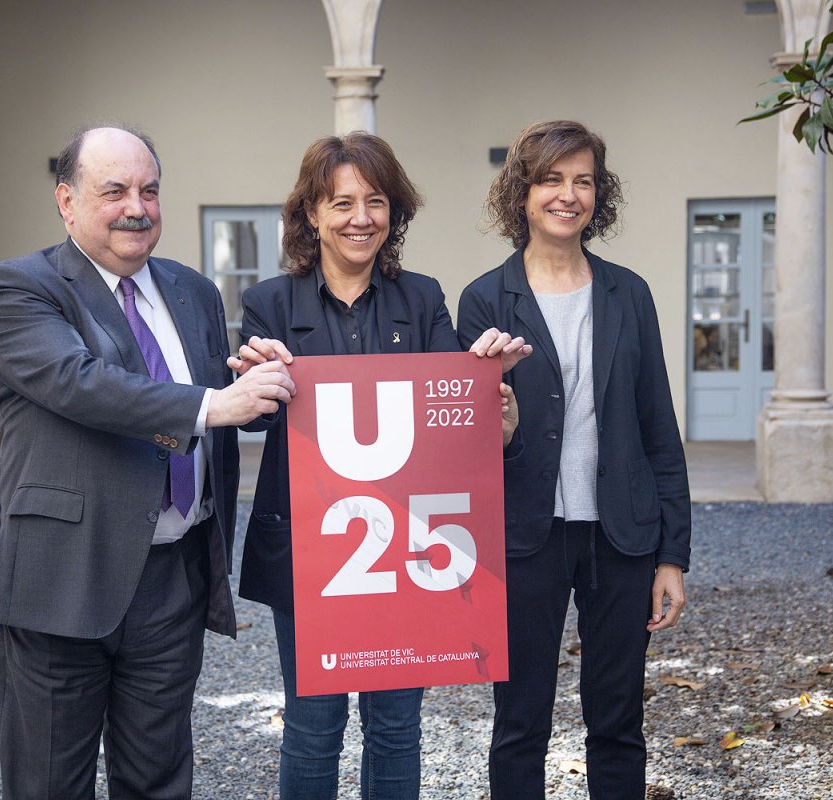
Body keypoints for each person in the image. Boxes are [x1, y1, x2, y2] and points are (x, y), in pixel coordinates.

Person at [0, 125, 295, 800]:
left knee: (158, 780)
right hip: (64, 580)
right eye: (114, 190)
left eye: (150, 190)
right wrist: (215, 401)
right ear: (67, 201)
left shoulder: (193, 290)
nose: (137, 207)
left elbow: (215, 400)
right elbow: (79, 382)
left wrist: (261, 387)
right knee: (49, 783)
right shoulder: (22, 288)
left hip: (171, 579)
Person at [229, 132, 529, 800]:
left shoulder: (422, 299)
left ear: (394, 212)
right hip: (313, 551)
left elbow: (451, 427)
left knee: (396, 725)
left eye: (375, 201)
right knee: (313, 725)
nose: (360, 217)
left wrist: (491, 399)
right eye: (341, 202)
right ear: (311, 213)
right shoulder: (270, 303)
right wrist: (254, 387)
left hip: (406, 551)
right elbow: (250, 419)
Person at [456, 120, 691, 799]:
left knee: (618, 723)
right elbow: (471, 441)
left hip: (622, 535)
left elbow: (658, 430)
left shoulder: (629, 294)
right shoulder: (483, 300)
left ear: (599, 193)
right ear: (522, 194)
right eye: (552, 179)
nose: (568, 195)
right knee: (519, 722)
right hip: (525, 536)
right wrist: (500, 424)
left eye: (583, 180)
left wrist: (671, 554)